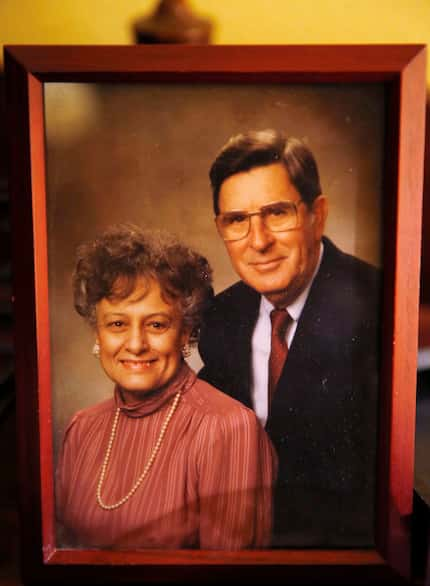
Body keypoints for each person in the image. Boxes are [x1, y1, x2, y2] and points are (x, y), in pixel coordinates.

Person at [198, 130, 381, 547]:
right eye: (237, 220)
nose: (258, 241)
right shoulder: (221, 317)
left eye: (277, 213)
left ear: (318, 214)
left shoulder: (378, 306)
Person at [56, 223, 276, 550]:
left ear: (185, 332)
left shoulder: (229, 428)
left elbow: (229, 578)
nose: (135, 344)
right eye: (117, 324)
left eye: (156, 324)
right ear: (97, 334)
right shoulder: (83, 428)